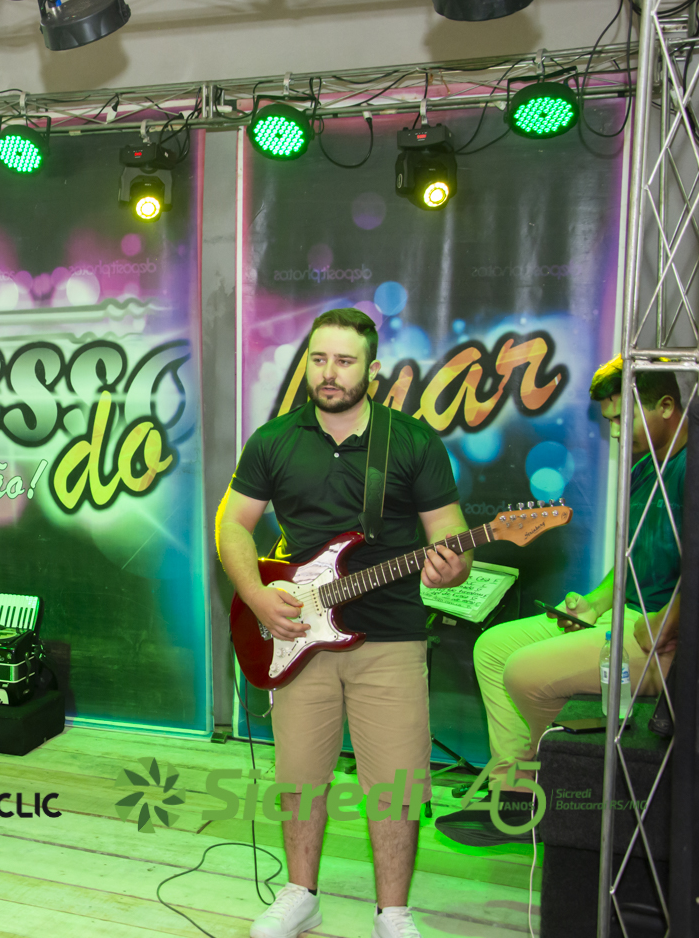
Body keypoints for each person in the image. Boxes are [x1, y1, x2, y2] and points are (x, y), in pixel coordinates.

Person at [217, 308, 471, 938]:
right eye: (319, 359)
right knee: (300, 778)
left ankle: (393, 913)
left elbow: (451, 538)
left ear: (373, 370)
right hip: (299, 636)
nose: (329, 373)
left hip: (392, 637)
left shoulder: (412, 442)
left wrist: (451, 567)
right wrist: (255, 596)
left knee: (396, 784)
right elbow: (232, 525)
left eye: (345, 361)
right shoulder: (274, 440)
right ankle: (301, 893)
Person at [434, 357, 686, 846]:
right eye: (610, 421)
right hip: (626, 616)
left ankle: (555, 785)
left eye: (622, 418)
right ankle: (515, 794)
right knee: (492, 648)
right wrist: (593, 604)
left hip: (664, 639)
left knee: (524, 671)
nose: (616, 432)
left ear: (665, 406)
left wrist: (664, 622)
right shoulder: (645, 470)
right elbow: (631, 560)